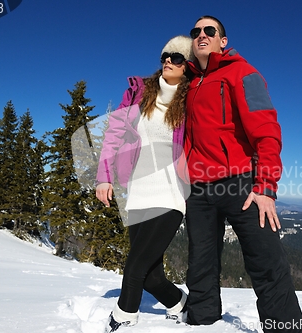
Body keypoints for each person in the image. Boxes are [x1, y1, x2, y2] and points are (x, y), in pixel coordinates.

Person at [180, 16, 302, 332]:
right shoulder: (189, 84)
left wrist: (265, 186)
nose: (201, 35)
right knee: (200, 268)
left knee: (266, 264)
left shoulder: (243, 73)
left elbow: (266, 131)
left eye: (210, 31)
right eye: (195, 32)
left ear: (223, 41)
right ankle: (202, 323)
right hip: (198, 191)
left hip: (242, 185)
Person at [95, 35, 193, 332]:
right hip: (137, 192)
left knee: (135, 265)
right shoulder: (139, 93)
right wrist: (104, 176)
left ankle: (125, 316)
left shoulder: (192, 99)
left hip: (171, 192)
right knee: (151, 275)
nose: (168, 60)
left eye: (177, 57)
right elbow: (113, 135)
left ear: (187, 66)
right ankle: (180, 304)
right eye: (165, 54)